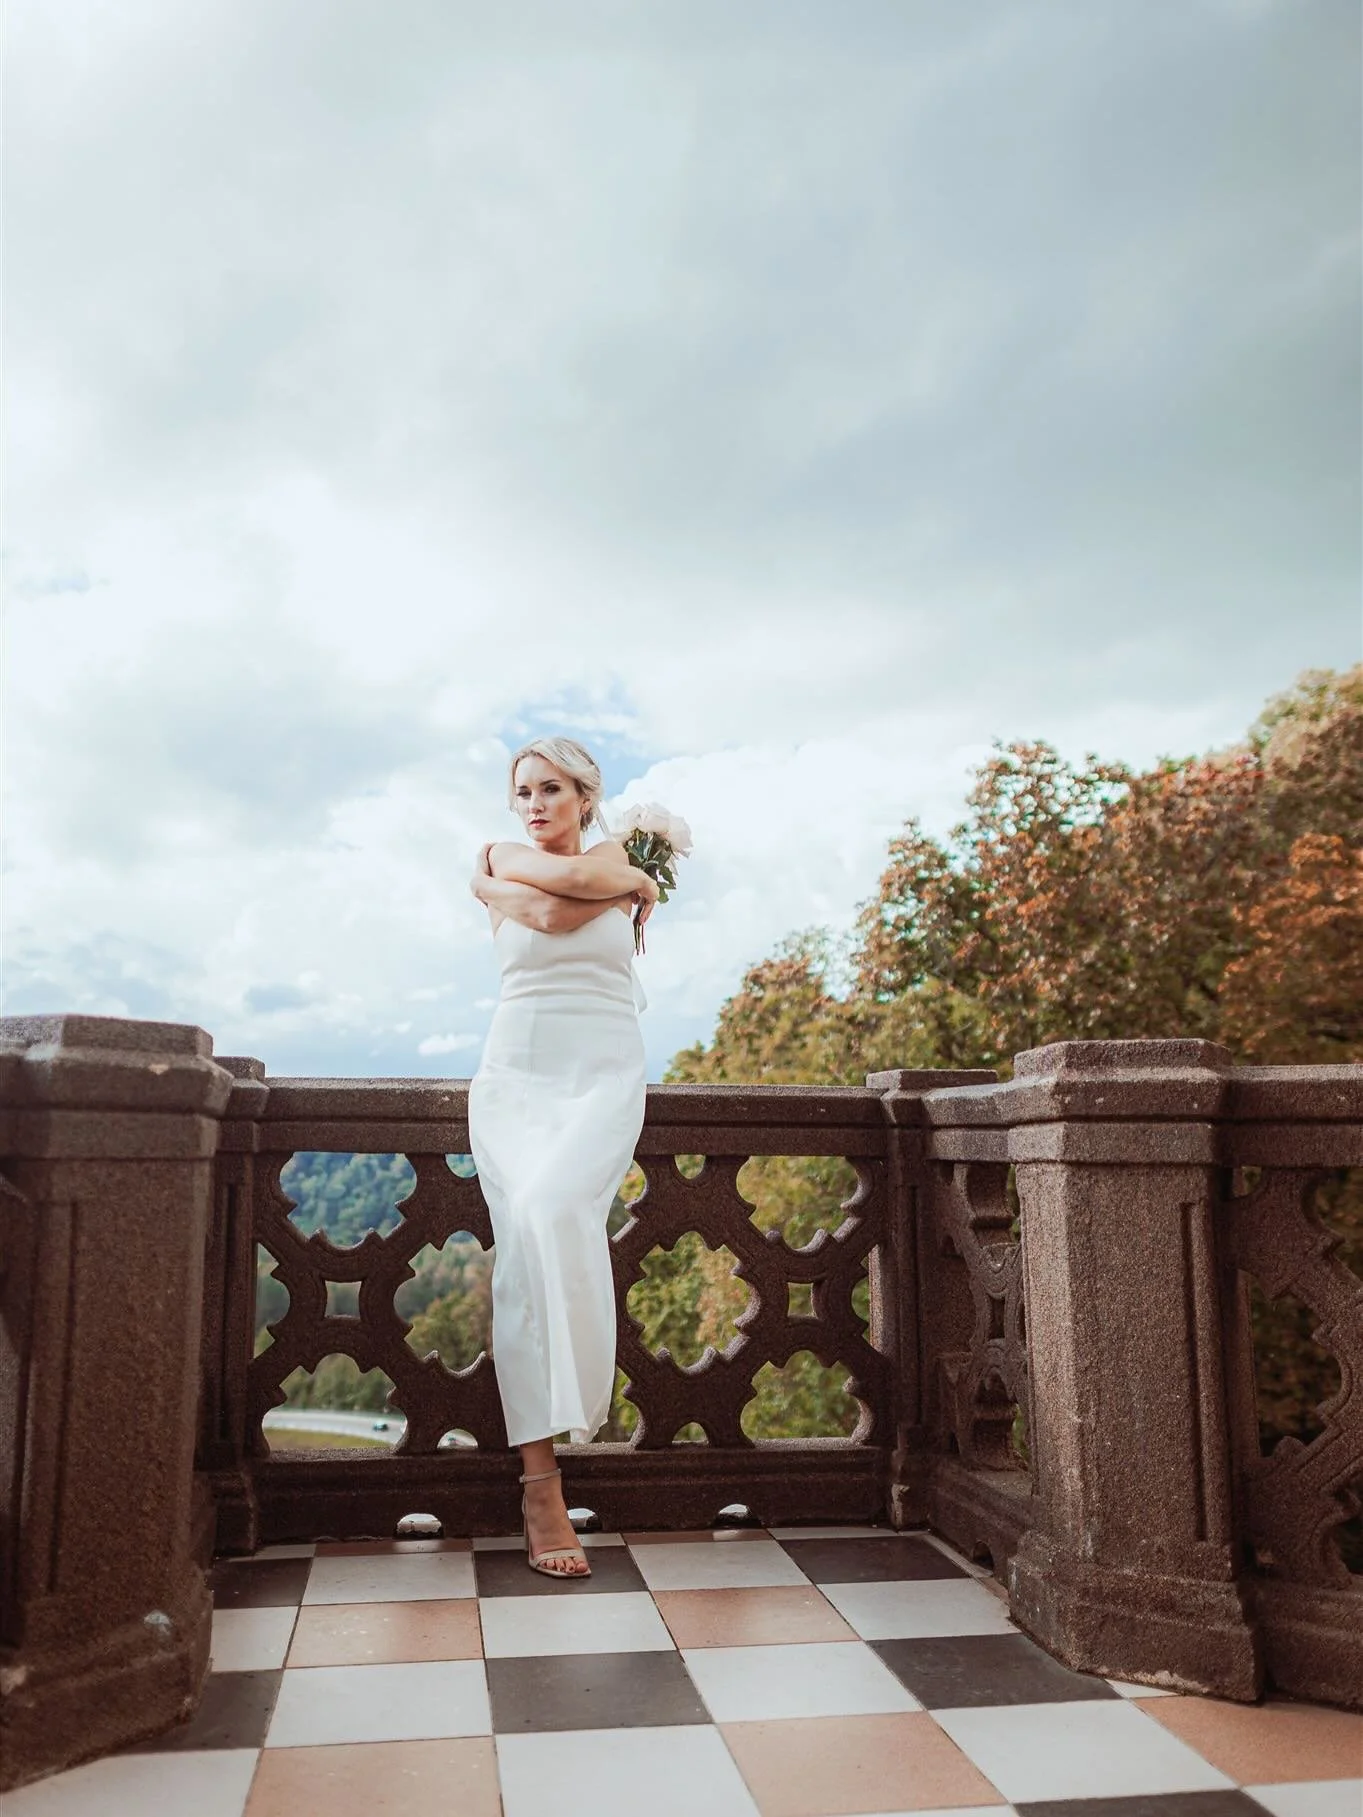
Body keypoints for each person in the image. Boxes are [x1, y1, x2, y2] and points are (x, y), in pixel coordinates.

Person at [467, 737, 658, 1576]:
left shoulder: (615, 856)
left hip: (602, 1073)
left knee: (554, 1211)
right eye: (523, 791)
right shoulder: (499, 857)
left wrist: (625, 875)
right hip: (516, 1075)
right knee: (520, 1262)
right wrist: (633, 885)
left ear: (586, 796)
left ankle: (581, 1413)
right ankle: (540, 1485)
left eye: (552, 789)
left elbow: (578, 885)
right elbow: (549, 913)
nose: (534, 805)